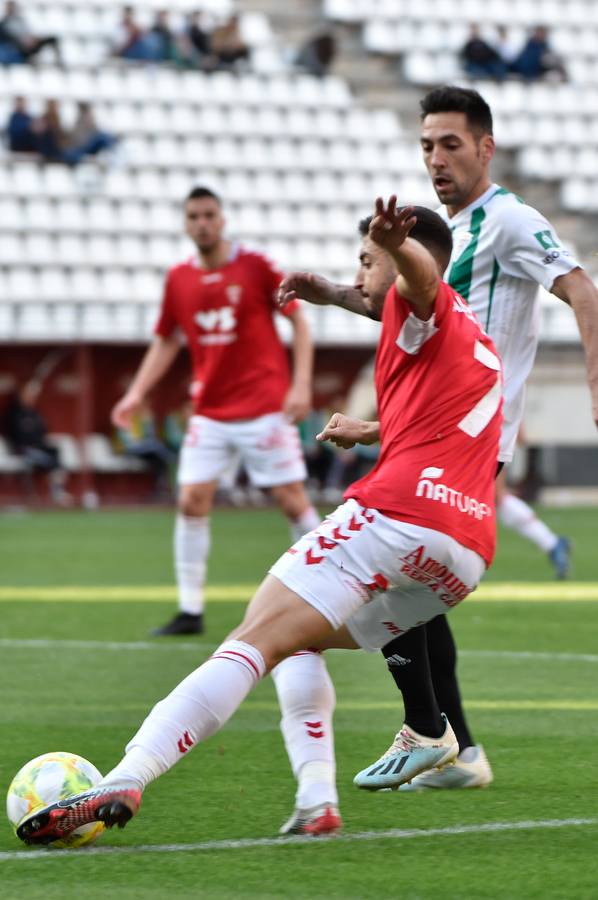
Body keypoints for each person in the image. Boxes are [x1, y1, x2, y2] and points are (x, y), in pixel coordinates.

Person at [16, 199, 504, 846]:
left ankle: (129, 774)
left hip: (399, 516)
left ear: (406, 256)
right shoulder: (472, 338)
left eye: (365, 259)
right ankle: (326, 793)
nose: (358, 272)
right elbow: (440, 399)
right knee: (298, 639)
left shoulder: (422, 299)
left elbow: (417, 281)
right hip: (462, 555)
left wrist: (397, 244)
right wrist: (338, 312)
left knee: (251, 638)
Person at [277, 86, 598, 792]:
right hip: (433, 436)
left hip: (468, 444)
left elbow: (582, 289)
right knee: (414, 595)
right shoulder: (445, 239)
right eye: (427, 145)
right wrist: (330, 292)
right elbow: (420, 325)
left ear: (486, 147)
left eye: (451, 144)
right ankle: (453, 747)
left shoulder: (508, 221)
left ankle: (437, 735)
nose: (436, 158)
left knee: (399, 586)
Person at [111, 185, 318, 636]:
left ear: (221, 220)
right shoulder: (179, 279)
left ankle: (335, 587)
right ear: (186, 224)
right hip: (210, 410)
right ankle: (190, 610)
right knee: (190, 499)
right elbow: (167, 339)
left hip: (264, 406)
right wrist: (136, 393)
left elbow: (299, 318)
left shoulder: (256, 266)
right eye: (194, 216)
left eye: (209, 214)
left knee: (290, 500)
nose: (202, 223)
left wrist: (300, 384)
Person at [4, 381, 72, 507]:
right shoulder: (14, 414)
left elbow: (43, 431)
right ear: (20, 396)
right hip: (23, 450)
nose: (30, 399)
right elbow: (18, 436)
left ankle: (58, 492)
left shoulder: (35, 413)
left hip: (39, 448)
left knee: (55, 453)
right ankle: (56, 494)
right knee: (50, 462)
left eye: (32, 396)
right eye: (27, 395)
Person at [0, 0, 61, 65]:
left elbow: (27, 31)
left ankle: (58, 61)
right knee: (22, 48)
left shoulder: (20, 20)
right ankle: (30, 60)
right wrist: (21, 41)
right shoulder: (3, 23)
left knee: (52, 39)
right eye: (11, 7)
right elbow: (7, 38)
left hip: (28, 42)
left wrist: (32, 39)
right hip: (17, 47)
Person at [61, 102, 117, 166]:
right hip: (80, 148)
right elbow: (73, 137)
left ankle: (109, 155)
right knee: (69, 154)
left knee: (104, 137)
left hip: (90, 145)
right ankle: (86, 159)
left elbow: (96, 132)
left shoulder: (90, 117)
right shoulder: (77, 120)